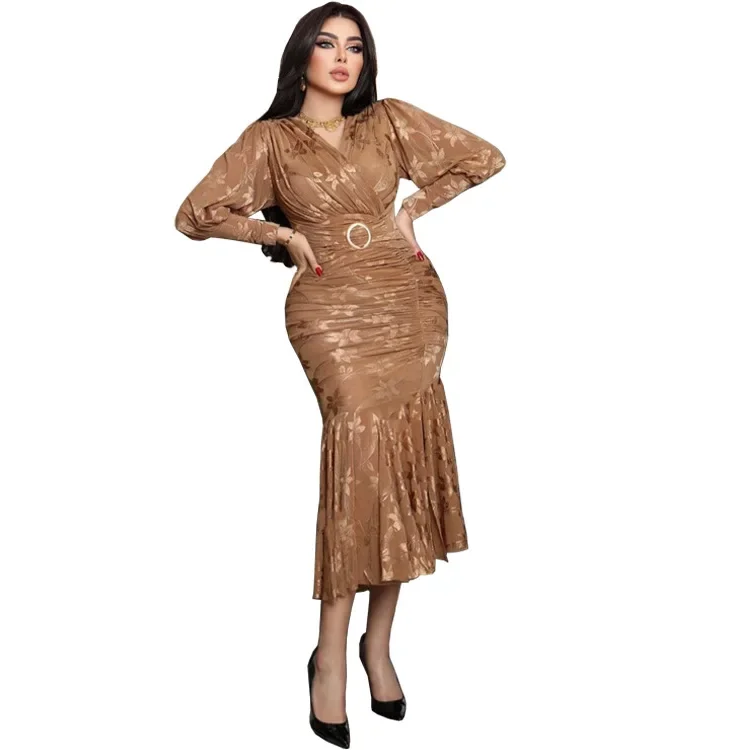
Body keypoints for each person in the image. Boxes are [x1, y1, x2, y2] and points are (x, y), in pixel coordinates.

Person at [174, 3, 505, 747]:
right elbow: (195, 214)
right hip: (329, 307)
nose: (342, 57)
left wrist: (414, 208)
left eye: (355, 46)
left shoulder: (387, 121)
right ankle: (328, 657)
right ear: (302, 56)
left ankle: (377, 646)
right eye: (327, 44)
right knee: (359, 463)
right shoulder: (269, 140)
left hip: (408, 300)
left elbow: (484, 157)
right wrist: (278, 233)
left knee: (399, 465)